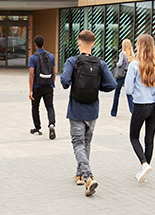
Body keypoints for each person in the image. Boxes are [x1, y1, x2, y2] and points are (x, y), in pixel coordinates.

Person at [60, 30, 116, 196]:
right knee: (86, 143)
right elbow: (112, 84)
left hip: (76, 109)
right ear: (93, 43)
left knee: (78, 143)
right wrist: (97, 86)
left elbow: (64, 81)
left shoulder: (73, 61)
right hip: (92, 110)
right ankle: (79, 175)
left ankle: (88, 177)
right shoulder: (101, 64)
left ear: (79, 42)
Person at [124, 34, 155, 183]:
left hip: (140, 105)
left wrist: (138, 91)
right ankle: (145, 170)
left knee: (134, 137)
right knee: (149, 139)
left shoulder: (134, 65)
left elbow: (128, 89)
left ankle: (144, 164)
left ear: (139, 46)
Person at [28, 35, 56, 139]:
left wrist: (30, 90)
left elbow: (31, 74)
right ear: (44, 44)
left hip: (37, 86)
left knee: (35, 107)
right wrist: (52, 85)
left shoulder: (33, 58)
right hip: (48, 86)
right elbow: (53, 72)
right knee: (50, 106)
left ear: (35, 45)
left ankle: (37, 128)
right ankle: (52, 124)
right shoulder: (51, 56)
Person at [110, 38, 134, 117]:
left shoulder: (122, 53)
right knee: (129, 93)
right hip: (128, 75)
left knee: (117, 93)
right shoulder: (132, 54)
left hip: (121, 75)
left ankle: (113, 112)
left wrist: (117, 64)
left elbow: (119, 64)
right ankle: (132, 111)